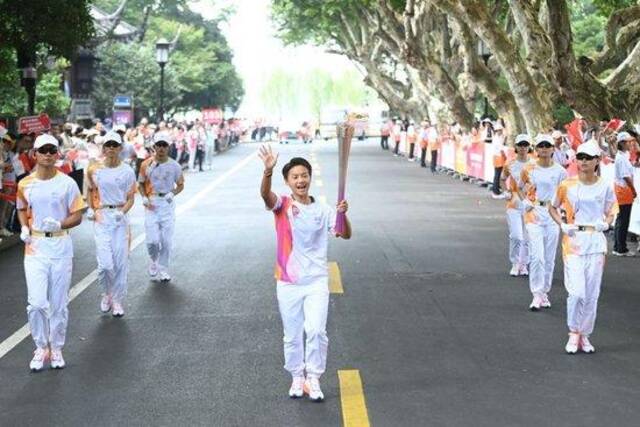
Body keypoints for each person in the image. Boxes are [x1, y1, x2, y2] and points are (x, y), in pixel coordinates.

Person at [258, 144, 351, 403]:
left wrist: (344, 215)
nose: (301, 180)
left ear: (309, 178)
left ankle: (314, 377)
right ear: (288, 182)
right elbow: (266, 196)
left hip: (317, 281)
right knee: (292, 333)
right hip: (288, 282)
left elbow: (344, 233)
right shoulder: (283, 205)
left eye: (304, 175)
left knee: (316, 331)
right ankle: (297, 375)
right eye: (295, 177)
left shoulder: (322, 210)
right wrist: (268, 172)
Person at [16, 134, 87, 371]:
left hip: (60, 246)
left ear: (57, 154)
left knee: (58, 303)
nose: (48, 154)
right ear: (34, 154)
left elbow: (77, 215)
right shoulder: (25, 183)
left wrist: (60, 225)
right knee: (36, 303)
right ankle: (40, 347)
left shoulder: (67, 183)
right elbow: (21, 208)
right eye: (43, 150)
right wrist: (25, 227)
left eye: (52, 150)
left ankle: (56, 347)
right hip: (35, 247)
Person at [549, 142, 616, 354]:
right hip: (574, 241)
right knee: (577, 292)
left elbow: (612, 209)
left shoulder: (605, 185)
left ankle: (585, 334)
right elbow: (553, 207)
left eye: (588, 157)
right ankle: (573, 331)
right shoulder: (567, 185)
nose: (583, 161)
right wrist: (562, 224)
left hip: (595, 242)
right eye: (580, 157)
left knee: (591, 293)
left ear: (597, 160)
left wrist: (607, 223)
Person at [86, 131, 136, 317]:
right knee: (106, 264)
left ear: (120, 148)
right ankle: (107, 293)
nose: (111, 149)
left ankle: (117, 300)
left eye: (115, 145)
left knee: (120, 262)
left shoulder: (127, 171)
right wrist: (91, 208)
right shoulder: (94, 169)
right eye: (108, 145)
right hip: (101, 217)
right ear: (103, 148)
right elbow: (90, 191)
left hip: (120, 219)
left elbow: (131, 199)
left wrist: (121, 212)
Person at [520, 134, 568, 311]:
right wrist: (525, 200)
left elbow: (566, 195)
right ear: (536, 149)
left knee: (548, 258)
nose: (544, 148)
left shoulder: (561, 172)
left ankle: (544, 293)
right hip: (534, 214)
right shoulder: (529, 168)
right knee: (537, 257)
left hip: (552, 215)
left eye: (547, 145)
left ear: (553, 149)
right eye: (541, 146)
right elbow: (521, 186)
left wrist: (565, 214)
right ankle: (536, 294)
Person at [138, 132, 185, 282]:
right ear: (154, 147)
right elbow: (140, 183)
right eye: (159, 145)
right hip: (151, 204)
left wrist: (173, 193)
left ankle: (163, 269)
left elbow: (181, 185)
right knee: (152, 240)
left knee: (166, 240)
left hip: (166, 204)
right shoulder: (146, 164)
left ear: (168, 147)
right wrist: (144, 197)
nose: (162, 148)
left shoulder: (175, 166)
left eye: (164, 145)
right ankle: (154, 260)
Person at [500, 134, 532, 276]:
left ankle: (524, 264)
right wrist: (506, 191)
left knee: (527, 237)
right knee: (516, 235)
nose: (523, 147)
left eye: (526, 145)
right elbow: (502, 179)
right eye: (521, 145)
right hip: (513, 203)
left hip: (530, 205)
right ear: (516, 147)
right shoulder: (510, 164)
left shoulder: (535, 163)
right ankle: (515, 263)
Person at [612, 131, 637, 256]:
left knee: (620, 219)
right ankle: (621, 248)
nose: (630, 143)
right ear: (622, 143)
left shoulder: (623, 155)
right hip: (624, 190)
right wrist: (633, 190)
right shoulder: (621, 158)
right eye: (628, 142)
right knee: (623, 220)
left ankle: (618, 246)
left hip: (621, 190)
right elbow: (626, 177)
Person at [491, 122, 507, 198]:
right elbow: (501, 149)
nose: (500, 131)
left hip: (497, 157)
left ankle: (496, 189)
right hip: (498, 157)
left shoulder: (498, 137)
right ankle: (495, 192)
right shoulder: (497, 138)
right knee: (498, 175)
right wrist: (504, 156)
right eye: (498, 130)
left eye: (500, 130)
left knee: (497, 175)